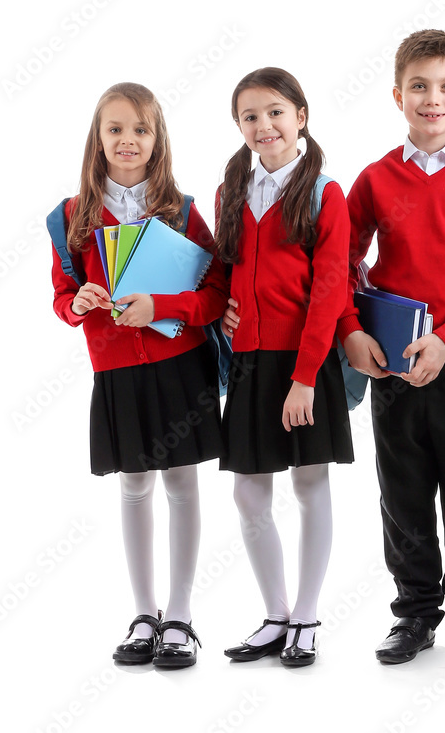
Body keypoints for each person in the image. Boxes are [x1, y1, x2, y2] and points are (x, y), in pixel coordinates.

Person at [339, 29, 445, 664]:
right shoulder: (374, 180)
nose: (431, 99)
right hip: (390, 356)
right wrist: (352, 330)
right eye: (419, 86)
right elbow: (342, 264)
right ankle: (414, 611)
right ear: (397, 95)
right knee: (403, 485)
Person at [50, 82, 228, 668]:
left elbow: (213, 297)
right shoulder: (70, 217)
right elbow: (62, 296)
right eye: (115, 129)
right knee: (134, 486)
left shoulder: (180, 211)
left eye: (140, 130)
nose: (127, 140)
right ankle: (143, 613)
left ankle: (179, 616)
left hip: (180, 366)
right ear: (97, 139)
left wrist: (164, 307)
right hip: (117, 372)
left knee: (180, 485)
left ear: (158, 140)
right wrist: (77, 304)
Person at [216, 68, 354, 668]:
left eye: (275, 112)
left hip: (306, 364)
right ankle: (275, 615)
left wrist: (304, 378)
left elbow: (329, 291)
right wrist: (222, 306)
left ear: (301, 115)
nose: (263, 125)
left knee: (308, 482)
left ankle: (307, 616)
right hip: (248, 360)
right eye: (250, 116)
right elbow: (223, 267)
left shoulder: (325, 192)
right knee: (250, 494)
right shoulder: (230, 191)